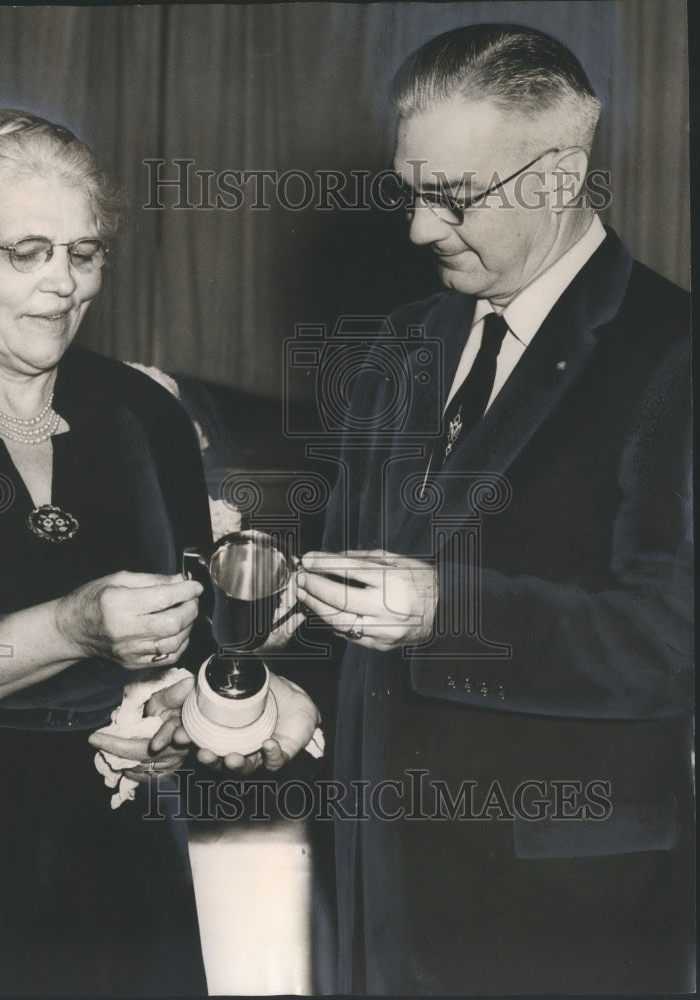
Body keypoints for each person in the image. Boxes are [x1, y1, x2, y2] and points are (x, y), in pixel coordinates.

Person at [0, 108, 316, 996]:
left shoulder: (141, 414)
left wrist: (231, 694)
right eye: (28, 251)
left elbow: (190, 641)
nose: (65, 284)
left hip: (121, 872)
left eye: (85, 252)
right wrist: (70, 628)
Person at [295, 24, 694, 995]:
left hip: (567, 921)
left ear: (557, 178)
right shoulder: (398, 343)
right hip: (376, 898)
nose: (418, 229)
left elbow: (671, 636)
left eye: (452, 198)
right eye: (409, 190)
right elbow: (350, 579)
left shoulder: (673, 353)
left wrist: (443, 610)